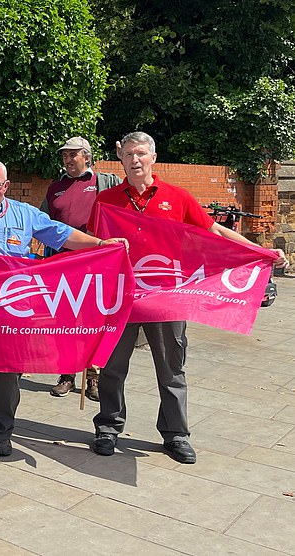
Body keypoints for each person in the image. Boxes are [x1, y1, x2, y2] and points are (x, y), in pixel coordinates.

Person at [88, 131, 289, 464]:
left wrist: (259, 251)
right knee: (112, 367)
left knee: (171, 370)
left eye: (140, 154)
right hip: (120, 296)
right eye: (128, 155)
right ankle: (108, 427)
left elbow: (213, 232)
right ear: (120, 158)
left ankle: (175, 434)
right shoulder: (106, 200)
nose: (134, 160)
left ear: (153, 157)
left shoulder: (176, 198)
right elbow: (94, 244)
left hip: (168, 297)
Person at [0, 160, 126, 458]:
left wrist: (101, 243)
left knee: (8, 375)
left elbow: (61, 235)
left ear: (6, 186)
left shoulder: (25, 215)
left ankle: (0, 431)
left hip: (14, 313)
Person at [42, 136, 121, 401]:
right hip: (62, 262)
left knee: (93, 321)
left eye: (72, 155)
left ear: (86, 156)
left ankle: (94, 377)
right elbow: (44, 224)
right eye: (64, 156)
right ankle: (66, 375)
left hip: (95, 263)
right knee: (65, 321)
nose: (67, 160)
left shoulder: (103, 182)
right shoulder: (55, 187)